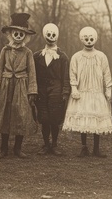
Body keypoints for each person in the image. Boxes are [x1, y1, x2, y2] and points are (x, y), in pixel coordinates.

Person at [62, 27, 112, 158]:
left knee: (96, 118)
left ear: (95, 39)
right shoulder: (76, 57)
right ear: (82, 39)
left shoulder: (101, 56)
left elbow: (106, 74)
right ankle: (84, 147)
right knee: (83, 119)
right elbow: (72, 74)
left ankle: (96, 148)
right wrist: (74, 88)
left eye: (91, 39)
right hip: (82, 92)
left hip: (97, 92)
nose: (89, 41)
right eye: (86, 39)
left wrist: (108, 89)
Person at [0, 13, 38, 159]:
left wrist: (32, 91)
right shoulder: (5, 50)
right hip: (6, 84)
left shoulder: (28, 53)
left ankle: (18, 147)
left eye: (21, 34)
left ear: (25, 36)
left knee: (21, 114)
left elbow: (32, 72)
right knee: (4, 114)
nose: (18, 36)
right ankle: (3, 147)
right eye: (15, 33)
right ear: (11, 34)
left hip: (21, 85)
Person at [33, 23, 70, 156]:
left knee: (55, 118)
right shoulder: (37, 56)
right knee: (44, 118)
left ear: (57, 36)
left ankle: (54, 144)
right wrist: (33, 90)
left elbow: (66, 76)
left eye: (54, 35)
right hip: (41, 90)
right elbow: (33, 75)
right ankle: (46, 144)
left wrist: (65, 92)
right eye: (48, 35)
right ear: (44, 36)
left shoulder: (63, 57)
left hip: (56, 90)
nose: (51, 37)